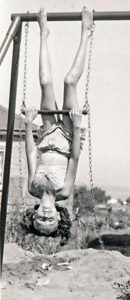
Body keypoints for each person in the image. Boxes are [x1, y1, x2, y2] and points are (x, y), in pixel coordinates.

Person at [24, 7, 93, 241]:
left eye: (40, 219)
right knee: (69, 81)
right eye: (49, 219)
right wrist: (75, 124)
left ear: (33, 216)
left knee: (45, 82)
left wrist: (28, 122)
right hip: (67, 139)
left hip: (47, 138)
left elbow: (32, 153)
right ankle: (85, 31)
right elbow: (74, 158)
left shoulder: (33, 189)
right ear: (58, 216)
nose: (45, 214)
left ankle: (43, 31)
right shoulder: (64, 191)